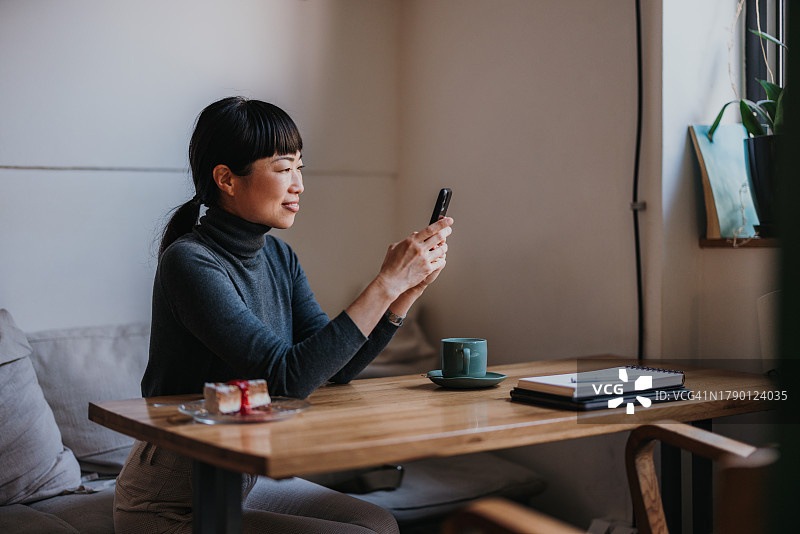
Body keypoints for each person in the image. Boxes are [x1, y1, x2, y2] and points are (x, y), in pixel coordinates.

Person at [113, 96, 453, 533]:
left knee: (377, 523)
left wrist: (404, 294)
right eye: (283, 168)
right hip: (172, 501)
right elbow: (287, 378)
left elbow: (336, 369)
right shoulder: (190, 262)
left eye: (300, 168)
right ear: (226, 179)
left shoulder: (278, 256)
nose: (299, 185)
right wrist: (384, 283)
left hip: (235, 480)